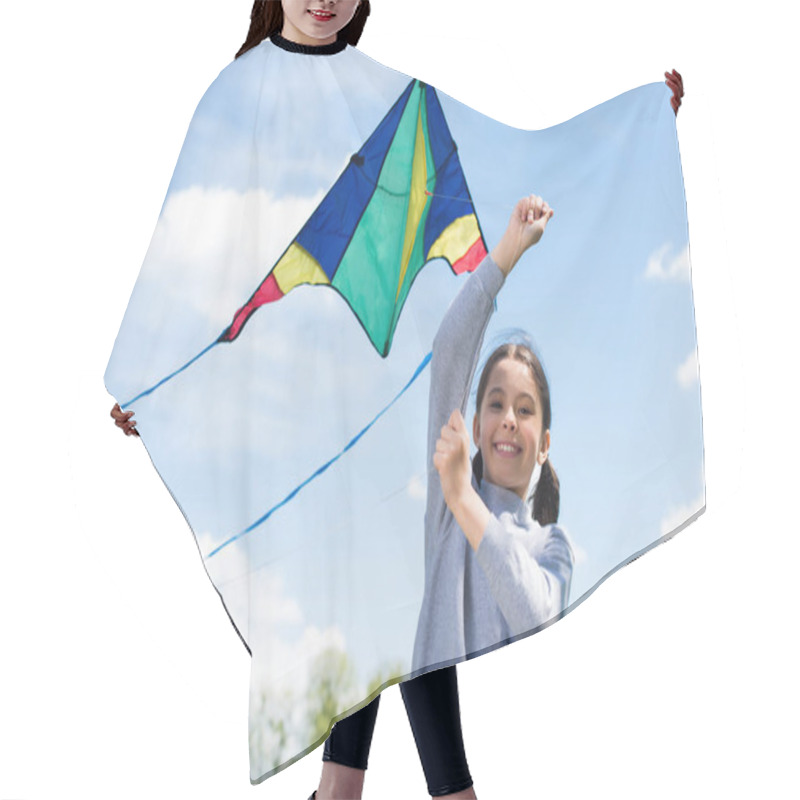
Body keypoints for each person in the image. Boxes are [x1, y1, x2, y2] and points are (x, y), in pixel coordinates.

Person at [108, 3, 686, 798]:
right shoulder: (236, 95)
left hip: (372, 393)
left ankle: (352, 790)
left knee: (391, 589)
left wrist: (636, 123)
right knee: (370, 595)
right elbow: (195, 251)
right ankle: (397, 790)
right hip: (292, 408)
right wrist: (152, 378)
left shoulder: (384, 95)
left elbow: (496, 150)